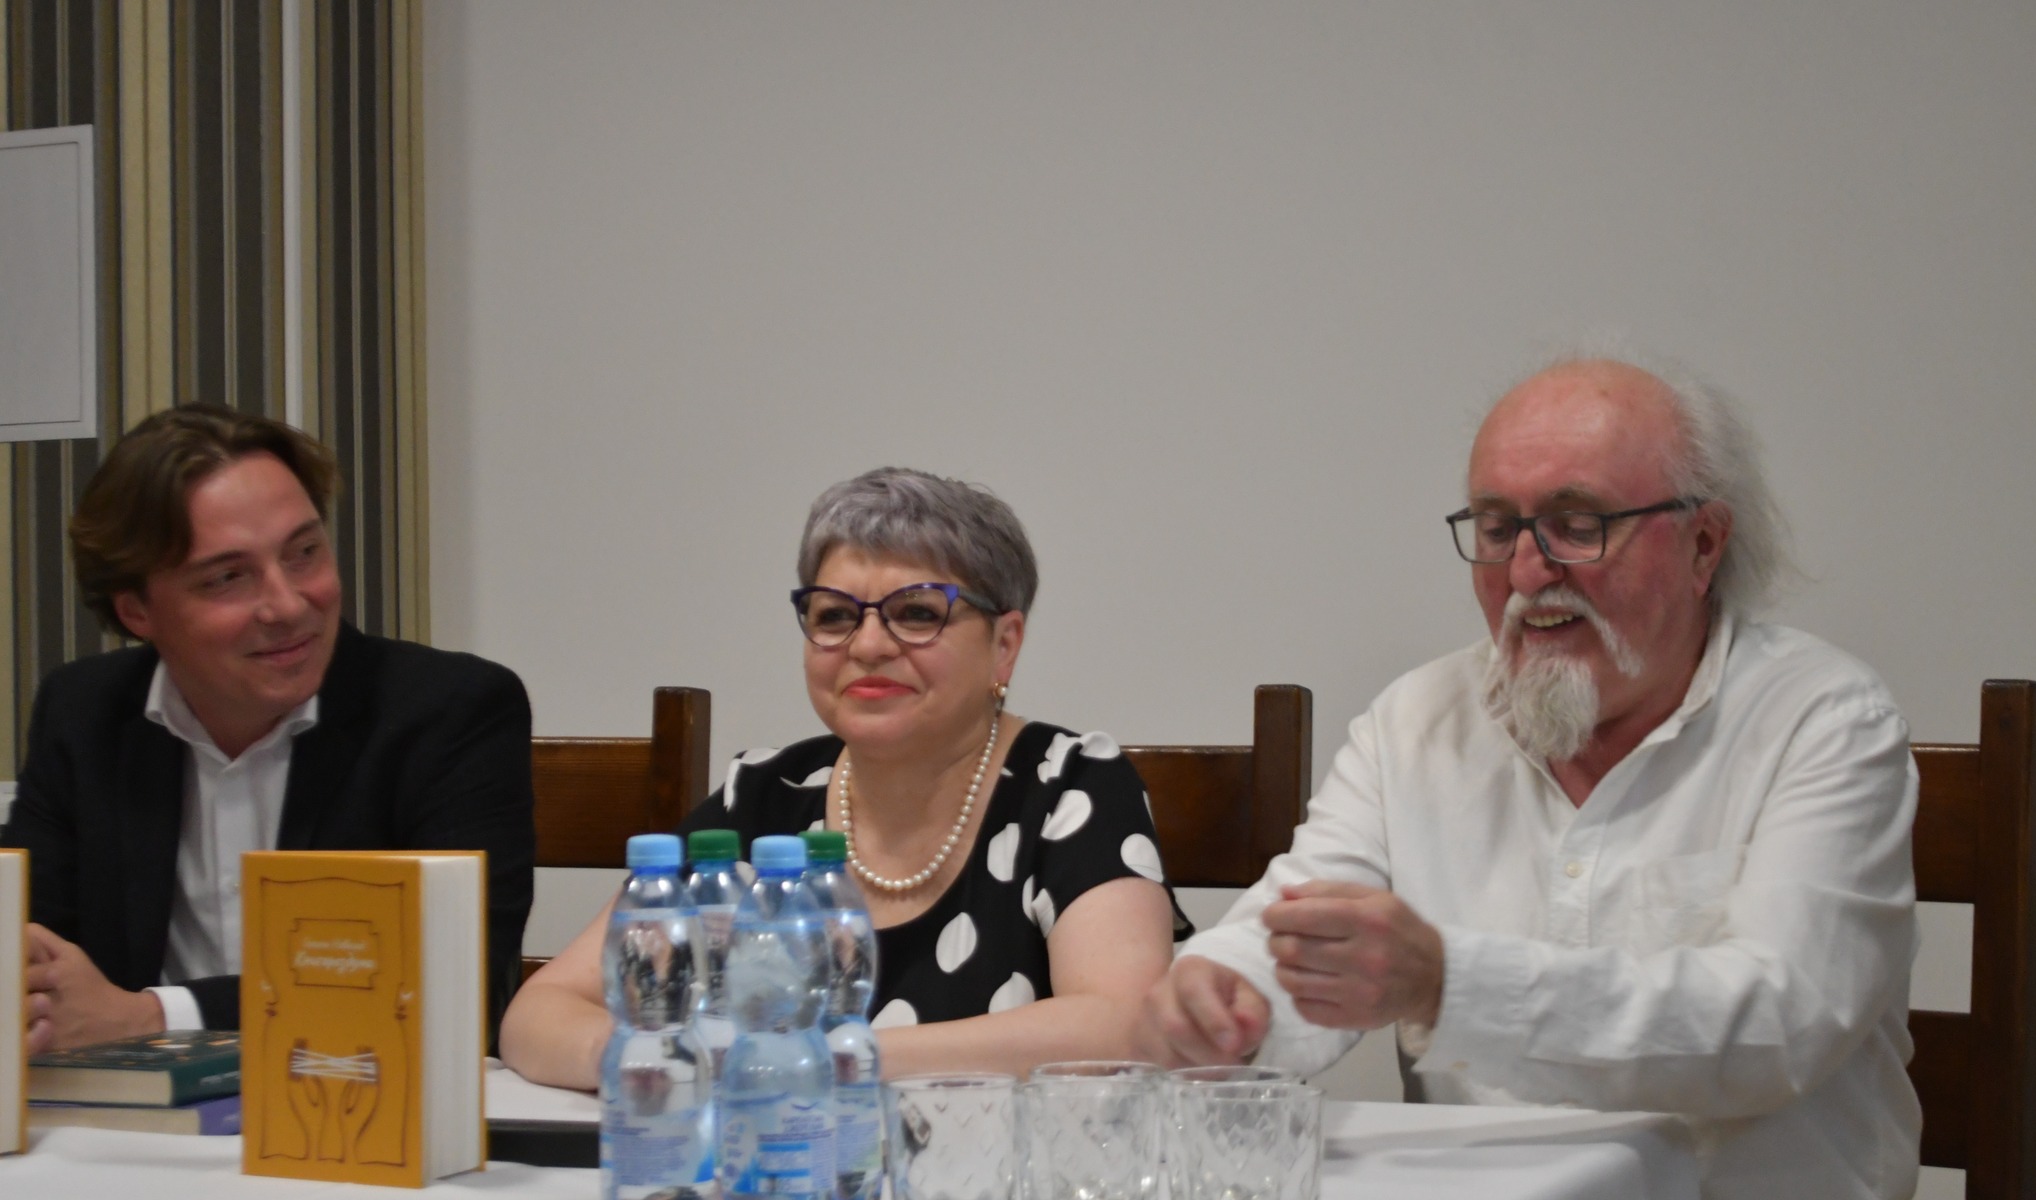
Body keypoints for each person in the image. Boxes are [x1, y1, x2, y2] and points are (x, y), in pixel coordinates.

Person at [1138, 357, 1925, 1200]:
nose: (1525, 570)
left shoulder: (1823, 719)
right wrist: (1223, 1001)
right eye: (1497, 526)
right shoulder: (1414, 722)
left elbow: (1775, 1024)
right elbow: (1297, 930)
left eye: (1577, 525)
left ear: (1704, 543)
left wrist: (1448, 985)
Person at [503, 467, 1185, 1087]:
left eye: (917, 613)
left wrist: (822, 1063)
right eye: (834, 615)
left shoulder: (1069, 785)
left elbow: (1123, 1024)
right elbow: (541, 1013)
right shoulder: (765, 794)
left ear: (1004, 645)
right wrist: (663, 1062)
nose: (868, 645)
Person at [4, 404, 534, 1053]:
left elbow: (456, 978)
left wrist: (151, 1015)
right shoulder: (84, 712)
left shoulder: (450, 711)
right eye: (229, 577)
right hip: (131, 1103)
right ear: (137, 610)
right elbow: (30, 949)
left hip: (355, 1090)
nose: (287, 604)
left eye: (304, 552)